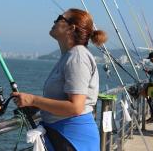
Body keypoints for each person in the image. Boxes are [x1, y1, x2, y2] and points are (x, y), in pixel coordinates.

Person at [12, 8, 107, 151]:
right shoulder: (69, 56)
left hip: (73, 140)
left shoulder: (78, 56)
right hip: (62, 136)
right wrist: (38, 106)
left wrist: (33, 100)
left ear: (71, 28)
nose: (54, 21)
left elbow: (76, 107)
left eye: (59, 18)